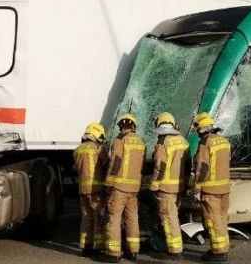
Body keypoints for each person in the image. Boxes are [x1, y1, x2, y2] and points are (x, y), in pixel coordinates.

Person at [104, 114, 146, 263]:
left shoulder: (119, 140)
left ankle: (113, 253)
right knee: (132, 219)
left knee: (114, 219)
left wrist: (108, 183)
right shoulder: (141, 142)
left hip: (119, 187)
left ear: (121, 126)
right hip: (134, 188)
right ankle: (133, 251)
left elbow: (115, 162)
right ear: (134, 126)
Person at [191, 112, 231, 263]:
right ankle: (223, 248)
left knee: (213, 221)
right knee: (221, 220)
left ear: (201, 129)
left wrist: (196, 187)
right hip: (225, 188)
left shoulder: (205, 144)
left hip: (210, 190)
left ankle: (219, 253)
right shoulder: (224, 141)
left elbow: (203, 168)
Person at [150, 112, 190, 260]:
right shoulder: (183, 141)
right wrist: (185, 184)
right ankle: (174, 247)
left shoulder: (162, 143)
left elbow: (159, 167)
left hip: (165, 189)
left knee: (168, 219)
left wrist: (153, 186)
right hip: (179, 187)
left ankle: (174, 251)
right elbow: (187, 165)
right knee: (174, 217)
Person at [73, 122, 108, 258]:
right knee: (98, 219)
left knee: (86, 218)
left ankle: (85, 247)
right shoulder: (98, 149)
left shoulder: (77, 150)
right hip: (96, 189)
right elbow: (106, 165)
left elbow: (77, 169)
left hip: (83, 189)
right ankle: (97, 248)